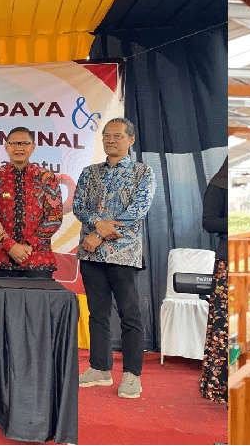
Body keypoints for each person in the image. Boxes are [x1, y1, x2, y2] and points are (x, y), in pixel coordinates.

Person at [73, 117, 155, 399]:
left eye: (118, 136)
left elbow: (137, 210)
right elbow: (78, 206)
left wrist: (100, 235)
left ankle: (132, 375)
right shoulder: (89, 172)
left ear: (131, 140)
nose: (111, 140)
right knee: (97, 313)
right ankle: (100, 369)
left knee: (130, 314)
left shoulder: (143, 172)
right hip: (91, 252)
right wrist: (98, 225)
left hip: (123, 253)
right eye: (107, 136)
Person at [0, 127, 63, 277]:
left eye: (24, 143)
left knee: (38, 301)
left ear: (33, 147)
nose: (19, 148)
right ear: (6, 147)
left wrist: (28, 246)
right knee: (0, 301)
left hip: (38, 259)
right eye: (14, 144)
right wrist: (10, 246)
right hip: (1, 260)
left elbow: (54, 218)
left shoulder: (46, 177)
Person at [199, 159, 229, 403]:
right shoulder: (219, 184)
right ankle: (220, 386)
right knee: (224, 327)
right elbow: (208, 222)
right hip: (228, 262)